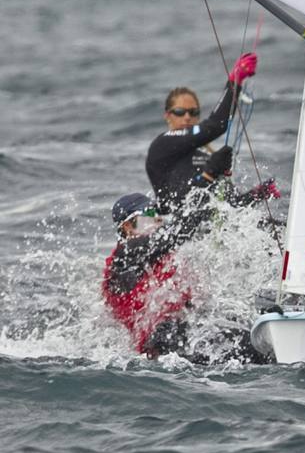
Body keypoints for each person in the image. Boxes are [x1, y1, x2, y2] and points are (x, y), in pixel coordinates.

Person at [101, 192, 265, 362]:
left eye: (157, 213)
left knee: (249, 333)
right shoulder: (123, 258)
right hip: (162, 343)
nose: (156, 218)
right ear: (127, 226)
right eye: (149, 214)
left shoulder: (155, 251)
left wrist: (250, 199)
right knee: (246, 349)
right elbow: (176, 234)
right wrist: (203, 214)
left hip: (186, 328)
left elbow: (182, 230)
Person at [146, 52, 278, 209]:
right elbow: (217, 125)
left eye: (193, 112)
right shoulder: (162, 145)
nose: (187, 117)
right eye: (180, 112)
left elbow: (229, 206)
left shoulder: (207, 157)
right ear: (168, 116)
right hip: (179, 229)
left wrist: (256, 194)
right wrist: (234, 82)